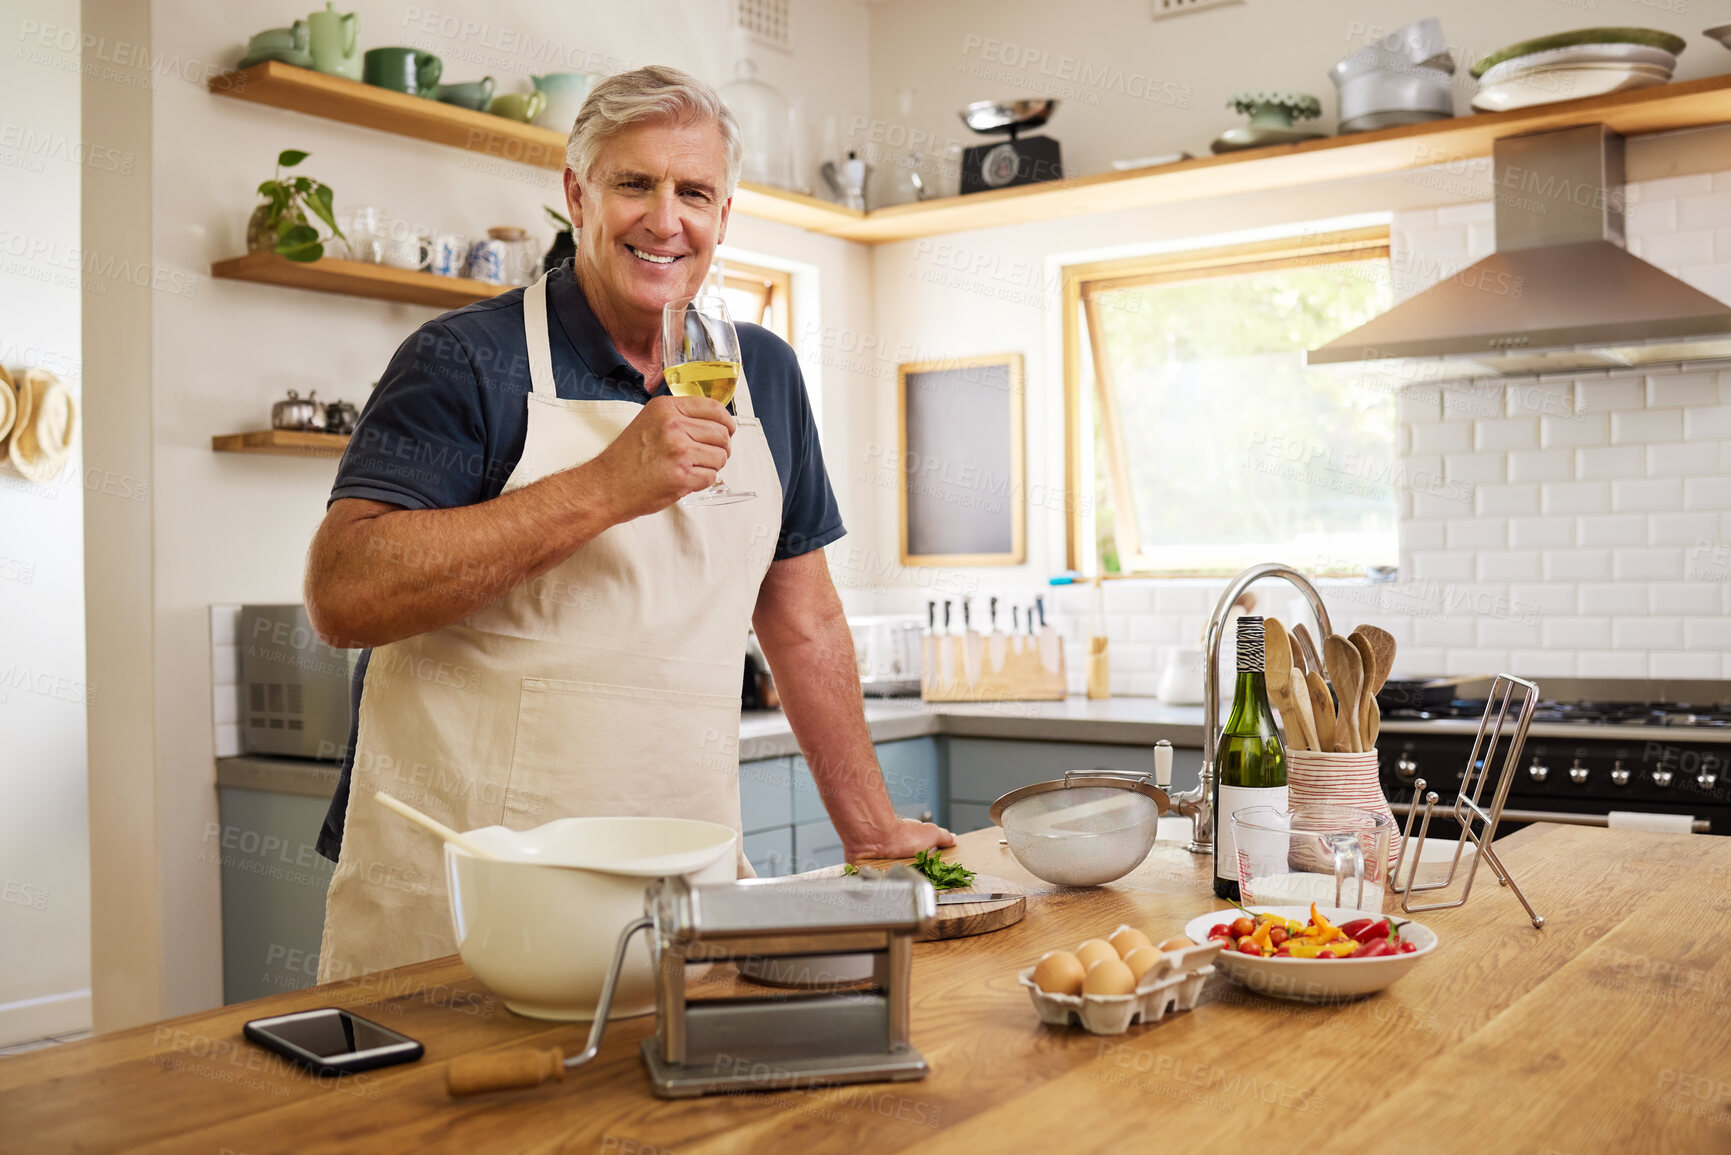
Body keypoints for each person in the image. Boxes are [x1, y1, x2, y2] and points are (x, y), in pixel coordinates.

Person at [306, 64, 953, 981]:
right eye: (634, 183)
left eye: (693, 191)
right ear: (577, 195)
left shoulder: (761, 374)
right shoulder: (462, 361)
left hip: (678, 890)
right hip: (472, 899)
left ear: (724, 214)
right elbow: (344, 593)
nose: (665, 219)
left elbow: (802, 620)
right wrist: (604, 486)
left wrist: (872, 830)